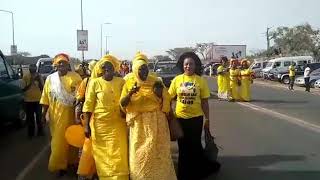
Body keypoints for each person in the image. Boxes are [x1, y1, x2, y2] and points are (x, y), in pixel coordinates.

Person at [120, 52, 176, 180]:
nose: (144, 72)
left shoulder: (156, 81)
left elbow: (167, 100)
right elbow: (122, 104)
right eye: (140, 69)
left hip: (157, 122)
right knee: (138, 154)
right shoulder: (129, 82)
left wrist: (159, 95)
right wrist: (130, 93)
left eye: (145, 68)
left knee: (159, 152)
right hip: (139, 125)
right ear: (134, 70)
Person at [169, 52, 220, 180]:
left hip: (196, 119)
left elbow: (204, 102)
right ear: (183, 65)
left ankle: (196, 173)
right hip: (180, 119)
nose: (188, 66)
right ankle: (183, 174)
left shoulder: (200, 81)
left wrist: (207, 118)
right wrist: (169, 114)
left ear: (195, 66)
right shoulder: (177, 80)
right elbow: (168, 98)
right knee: (183, 147)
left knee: (195, 146)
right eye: (186, 64)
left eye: (191, 64)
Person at [82, 55, 129, 180]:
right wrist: (86, 126)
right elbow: (88, 106)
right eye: (104, 66)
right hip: (100, 126)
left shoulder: (121, 82)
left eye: (110, 66)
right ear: (100, 69)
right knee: (103, 155)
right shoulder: (94, 83)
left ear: (114, 68)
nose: (107, 68)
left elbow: (127, 101)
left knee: (119, 153)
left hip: (118, 124)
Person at [40, 53, 82, 176]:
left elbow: (80, 97)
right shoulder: (50, 79)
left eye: (64, 63)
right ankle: (60, 166)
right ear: (55, 65)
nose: (61, 65)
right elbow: (45, 99)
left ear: (68, 64)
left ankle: (73, 164)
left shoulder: (75, 77)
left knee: (73, 142)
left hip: (72, 117)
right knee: (58, 143)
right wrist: (43, 115)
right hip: (56, 118)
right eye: (59, 63)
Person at [75, 60, 98, 180]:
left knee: (86, 146)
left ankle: (86, 172)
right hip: (96, 119)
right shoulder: (91, 81)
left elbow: (79, 99)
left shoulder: (87, 81)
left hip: (88, 119)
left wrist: (78, 119)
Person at [22, 64, 44, 138]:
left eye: (34, 68)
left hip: (38, 100)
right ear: (29, 69)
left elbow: (42, 88)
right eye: (31, 68)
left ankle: (40, 132)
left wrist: (38, 81)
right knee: (30, 118)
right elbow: (23, 89)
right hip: (28, 101)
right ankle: (30, 134)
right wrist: (31, 82)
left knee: (39, 117)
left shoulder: (39, 76)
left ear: (36, 68)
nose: (33, 69)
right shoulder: (25, 77)